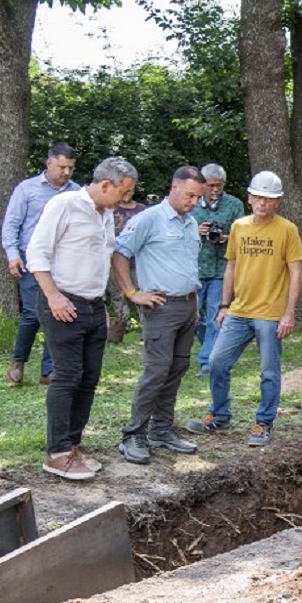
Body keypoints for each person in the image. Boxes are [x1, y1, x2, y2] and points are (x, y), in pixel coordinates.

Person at [27, 156, 138, 481]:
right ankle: (57, 452)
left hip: (91, 306)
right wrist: (54, 295)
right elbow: (37, 253)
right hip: (62, 303)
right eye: (124, 192)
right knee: (68, 375)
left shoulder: (104, 214)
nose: (126, 199)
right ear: (106, 185)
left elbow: (98, 260)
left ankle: (73, 443)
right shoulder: (64, 205)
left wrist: (99, 302)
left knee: (89, 377)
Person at [185, 170, 302, 447]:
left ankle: (263, 423)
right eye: (258, 198)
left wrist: (288, 313)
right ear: (249, 198)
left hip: (270, 314)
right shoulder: (239, 227)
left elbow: (296, 273)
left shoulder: (287, 230)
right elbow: (231, 266)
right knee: (216, 363)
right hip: (238, 311)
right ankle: (219, 414)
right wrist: (224, 305)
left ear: (278, 202)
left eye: (269, 199)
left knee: (269, 372)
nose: (262, 203)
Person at [111, 166, 207, 466]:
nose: (194, 202)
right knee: (157, 370)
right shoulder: (148, 219)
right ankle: (133, 435)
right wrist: (131, 293)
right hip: (160, 308)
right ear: (174, 187)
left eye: (198, 198)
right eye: (190, 195)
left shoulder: (191, 223)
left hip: (188, 306)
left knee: (177, 369)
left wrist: (194, 300)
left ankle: (161, 429)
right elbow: (119, 254)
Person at [1, 142, 80, 386]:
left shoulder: (76, 192)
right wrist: (12, 254)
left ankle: (49, 370)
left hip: (62, 260)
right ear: (49, 163)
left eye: (70, 168)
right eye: (62, 166)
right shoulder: (27, 189)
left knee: (58, 313)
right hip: (30, 260)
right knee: (33, 313)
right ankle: (18, 361)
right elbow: (11, 224)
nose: (66, 172)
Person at [191, 163, 245, 375]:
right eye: (211, 185)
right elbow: (177, 232)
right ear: (202, 185)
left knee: (215, 316)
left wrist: (225, 238)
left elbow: (243, 236)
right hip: (195, 268)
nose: (215, 190)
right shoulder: (191, 203)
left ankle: (207, 362)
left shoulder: (234, 204)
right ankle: (211, 348)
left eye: (219, 185)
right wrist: (196, 231)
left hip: (222, 269)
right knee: (194, 318)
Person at [107, 186, 150, 344]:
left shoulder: (142, 210)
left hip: (137, 261)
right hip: (114, 260)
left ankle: (147, 330)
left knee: (141, 292)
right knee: (117, 296)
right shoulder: (111, 208)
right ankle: (119, 330)